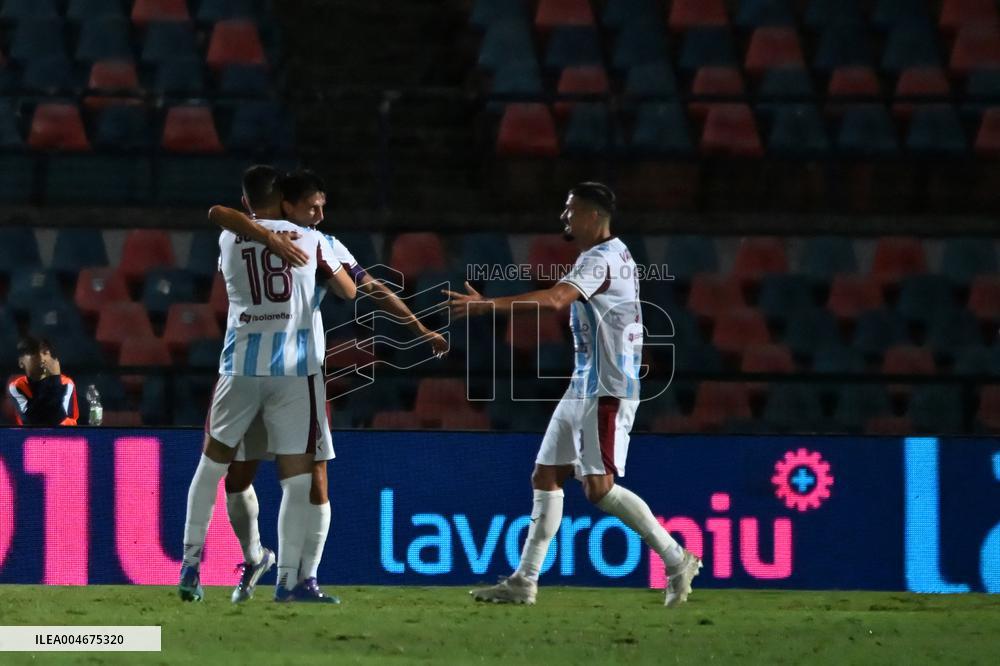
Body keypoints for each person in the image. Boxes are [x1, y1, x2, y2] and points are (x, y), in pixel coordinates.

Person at [445, 182, 701, 607]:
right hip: (584, 383)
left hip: (606, 388)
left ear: (595, 215)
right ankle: (524, 582)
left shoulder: (600, 260)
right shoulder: (607, 254)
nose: (564, 217)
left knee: (598, 488)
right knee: (545, 476)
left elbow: (556, 299)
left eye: (571, 210)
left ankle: (676, 559)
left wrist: (487, 305)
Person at [214, 168, 448, 603]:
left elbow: (370, 288)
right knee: (237, 478)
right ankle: (254, 557)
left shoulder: (325, 243)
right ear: (287, 205)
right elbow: (222, 214)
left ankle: (303, 578)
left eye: (324, 206)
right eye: (312, 206)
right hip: (252, 373)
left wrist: (418, 328)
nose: (320, 214)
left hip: (301, 378)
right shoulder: (251, 234)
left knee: (314, 479)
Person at [178, 165, 357, 603]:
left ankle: (190, 564)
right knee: (297, 481)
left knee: (213, 467)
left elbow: (221, 215)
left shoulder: (227, 237)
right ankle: (288, 582)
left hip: (239, 367)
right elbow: (349, 292)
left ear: (245, 202)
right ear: (283, 201)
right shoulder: (312, 241)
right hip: (292, 374)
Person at [8, 337, 78, 426]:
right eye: (34, 353)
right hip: (31, 438)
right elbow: (31, 421)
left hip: (64, 437)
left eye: (45, 353)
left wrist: (55, 379)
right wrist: (55, 379)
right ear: (21, 362)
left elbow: (58, 417)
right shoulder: (17, 386)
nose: (41, 358)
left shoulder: (66, 383)